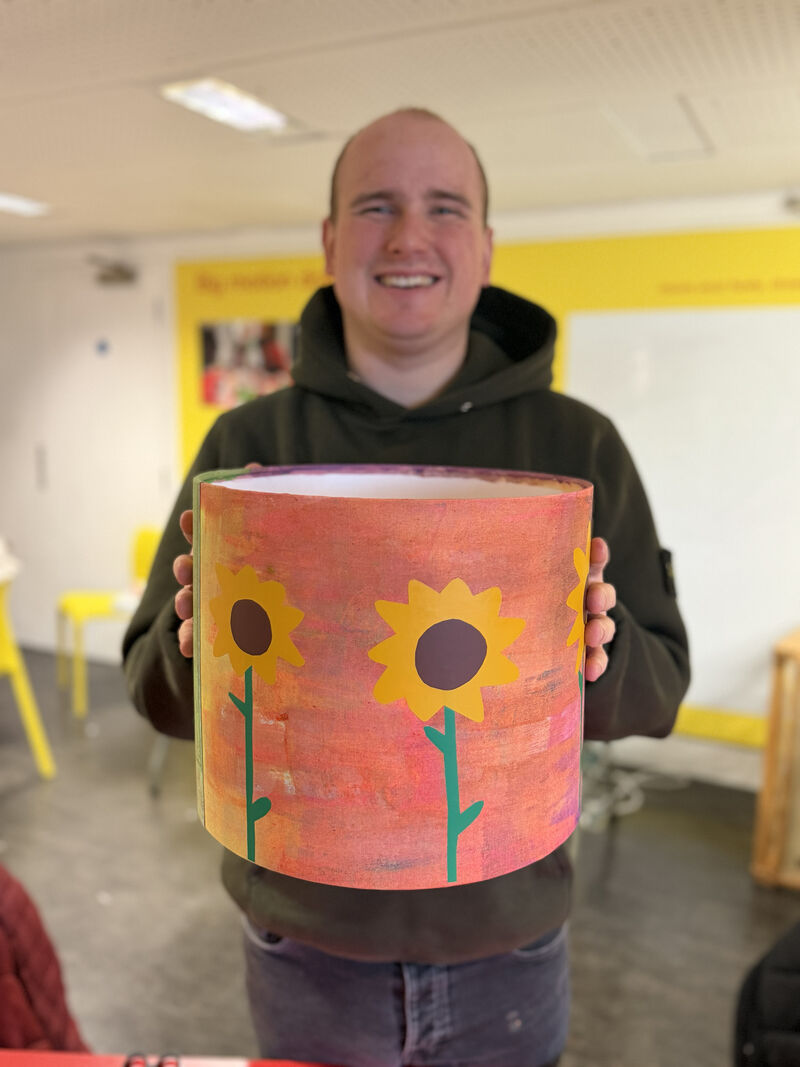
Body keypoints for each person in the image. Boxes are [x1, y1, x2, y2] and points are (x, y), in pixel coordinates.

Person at [123, 107, 690, 1067]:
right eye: (376, 206)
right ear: (331, 239)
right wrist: (203, 645)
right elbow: (151, 687)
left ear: (487, 243)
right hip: (303, 946)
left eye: (445, 207)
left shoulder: (576, 448)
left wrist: (599, 650)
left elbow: (660, 688)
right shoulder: (249, 452)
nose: (409, 236)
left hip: (506, 945)